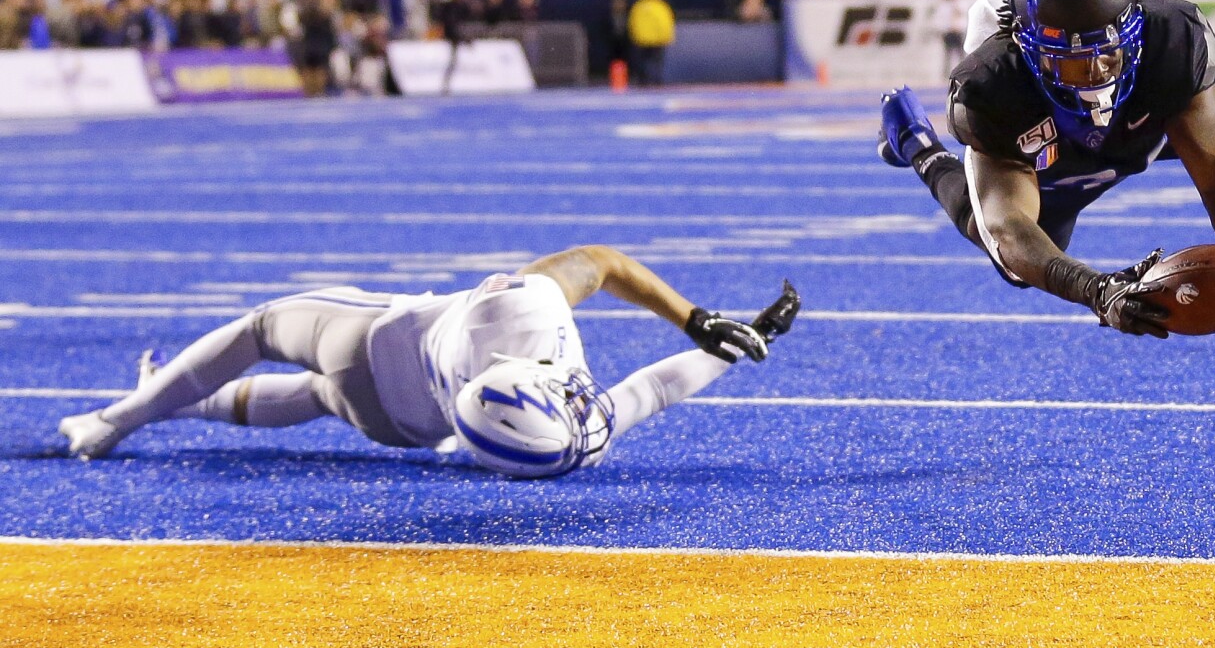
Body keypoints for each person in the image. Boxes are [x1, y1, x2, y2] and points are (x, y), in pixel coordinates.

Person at [59, 246, 800, 478]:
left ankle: (114, 420)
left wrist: (698, 320)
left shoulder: (518, 313)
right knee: (318, 398)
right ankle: (180, 402)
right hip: (403, 425)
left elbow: (599, 265)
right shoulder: (559, 441)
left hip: (371, 344)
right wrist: (728, 342)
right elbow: (652, 391)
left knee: (259, 330)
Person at [878, 0, 1215, 339]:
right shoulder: (993, 88)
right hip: (1053, 141)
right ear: (1031, 53)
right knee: (1016, 260)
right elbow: (1009, 226)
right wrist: (1095, 290)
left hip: (1136, 127)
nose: (1097, 75)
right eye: (1072, 60)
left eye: (1109, 53)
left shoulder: (1169, 42)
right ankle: (915, 141)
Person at [628, 0, 676, 87]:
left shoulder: (639, 5)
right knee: (656, 62)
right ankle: (657, 81)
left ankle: (643, 81)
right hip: (657, 40)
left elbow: (632, 22)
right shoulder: (661, 6)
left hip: (641, 39)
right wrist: (668, 37)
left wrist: (634, 36)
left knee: (642, 61)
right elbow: (665, 24)